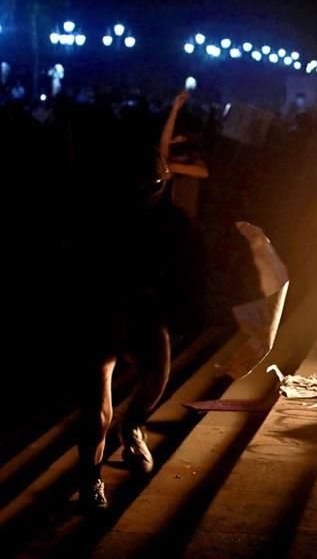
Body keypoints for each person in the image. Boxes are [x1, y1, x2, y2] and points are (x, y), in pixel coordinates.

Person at [73, 90, 195, 509]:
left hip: (144, 310)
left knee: (157, 373)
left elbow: (181, 274)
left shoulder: (171, 221)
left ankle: (133, 428)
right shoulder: (96, 211)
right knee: (95, 406)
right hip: (102, 307)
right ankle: (90, 480)